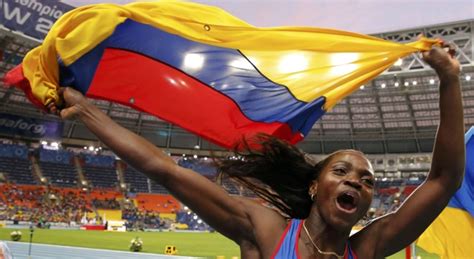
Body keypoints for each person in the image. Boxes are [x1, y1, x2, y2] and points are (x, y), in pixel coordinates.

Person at [48, 45, 463, 258]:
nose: (357, 179)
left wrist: (448, 80)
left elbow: (443, 180)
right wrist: (86, 111)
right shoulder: (266, 231)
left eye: (367, 181)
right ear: (316, 187)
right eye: (342, 170)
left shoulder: (368, 247)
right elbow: (165, 169)